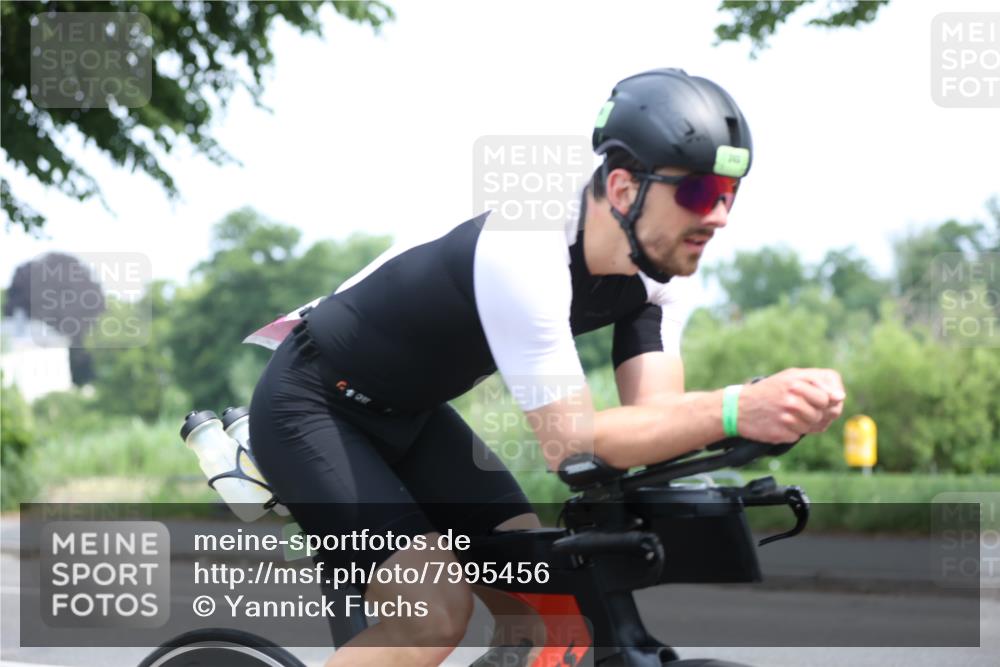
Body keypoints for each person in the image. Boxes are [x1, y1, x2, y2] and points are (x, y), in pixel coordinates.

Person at [248, 67, 845, 667]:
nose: (718, 216)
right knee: (433, 615)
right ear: (621, 188)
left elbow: (654, 425)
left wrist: (759, 415)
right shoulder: (525, 245)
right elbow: (574, 445)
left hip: (414, 415)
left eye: (727, 195)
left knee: (552, 605)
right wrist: (739, 406)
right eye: (695, 193)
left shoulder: (663, 269)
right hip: (312, 405)